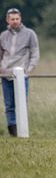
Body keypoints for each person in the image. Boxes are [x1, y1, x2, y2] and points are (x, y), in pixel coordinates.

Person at [1, 8, 40, 137]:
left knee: (21, 104)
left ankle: (22, 130)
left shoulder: (30, 34)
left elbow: (35, 54)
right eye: (12, 19)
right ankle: (13, 131)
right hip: (6, 74)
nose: (15, 21)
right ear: (8, 20)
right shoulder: (3, 36)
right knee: (9, 105)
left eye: (17, 19)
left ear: (20, 19)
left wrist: (28, 71)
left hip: (22, 75)